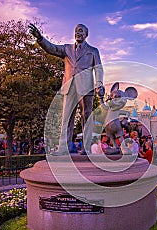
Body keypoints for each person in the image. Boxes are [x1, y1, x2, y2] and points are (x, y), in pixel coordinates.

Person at [29, 23, 104, 155]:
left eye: (81, 31)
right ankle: (63, 148)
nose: (78, 33)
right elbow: (52, 48)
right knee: (66, 117)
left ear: (86, 34)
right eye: (76, 31)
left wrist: (99, 83)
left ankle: (86, 148)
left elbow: (98, 68)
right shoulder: (67, 49)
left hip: (86, 88)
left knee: (86, 117)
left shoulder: (93, 51)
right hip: (69, 87)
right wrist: (40, 38)